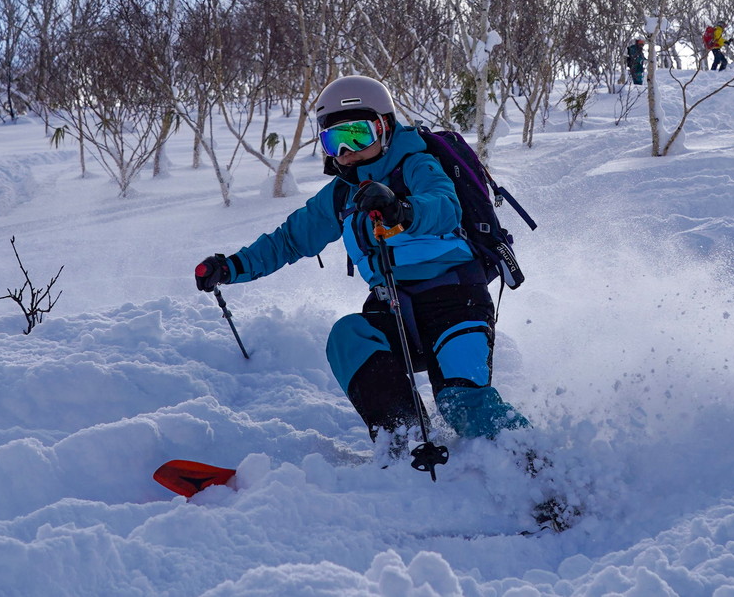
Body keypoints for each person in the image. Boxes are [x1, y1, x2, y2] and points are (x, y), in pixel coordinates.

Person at [194, 75, 528, 457]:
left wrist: (401, 209)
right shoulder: (343, 194)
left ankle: (545, 474)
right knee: (348, 336)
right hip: (393, 305)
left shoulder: (418, 164)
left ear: (384, 127)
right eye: (335, 141)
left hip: (456, 302)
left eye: (358, 135)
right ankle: (404, 440)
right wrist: (231, 267)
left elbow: (443, 205)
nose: (348, 151)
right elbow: (289, 239)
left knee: (464, 407)